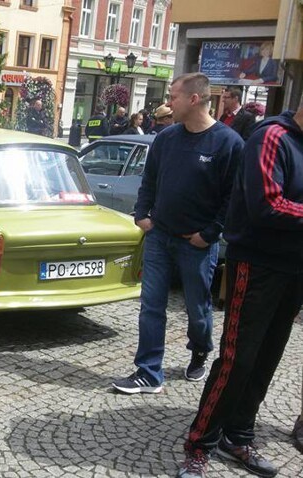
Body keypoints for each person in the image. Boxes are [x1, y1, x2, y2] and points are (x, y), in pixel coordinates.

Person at [176, 95, 303, 478]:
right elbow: (267, 204)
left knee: (268, 357)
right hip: (258, 264)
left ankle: (239, 435)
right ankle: (199, 444)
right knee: (238, 358)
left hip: (295, 267)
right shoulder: (272, 137)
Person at [112, 72, 244, 395]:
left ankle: (200, 349)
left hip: (197, 244)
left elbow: (232, 198)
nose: (168, 103)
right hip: (159, 236)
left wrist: (210, 234)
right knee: (151, 305)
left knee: (198, 309)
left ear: (194, 99)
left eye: (173, 97)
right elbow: (150, 180)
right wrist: (142, 215)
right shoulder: (166, 139)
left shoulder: (229, 143)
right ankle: (148, 371)